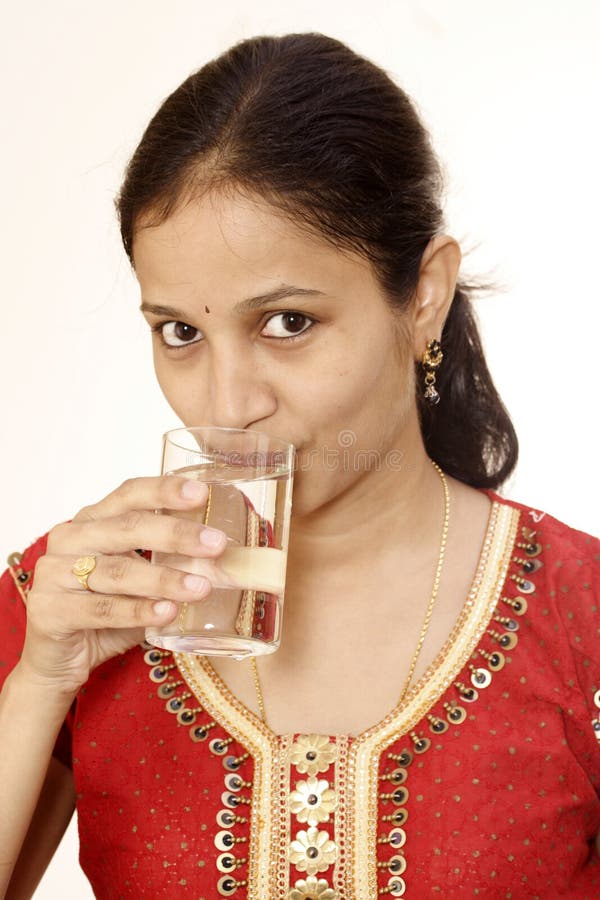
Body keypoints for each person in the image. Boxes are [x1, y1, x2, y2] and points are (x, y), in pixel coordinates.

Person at [1, 31, 598, 900]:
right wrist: (42, 678)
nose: (225, 403)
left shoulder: (579, 617)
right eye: (180, 333)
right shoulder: (68, 601)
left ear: (424, 294)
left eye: (287, 323)